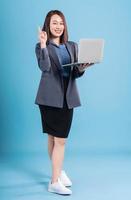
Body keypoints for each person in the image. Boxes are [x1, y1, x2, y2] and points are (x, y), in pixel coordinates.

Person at [35, 10, 93, 195]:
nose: (58, 26)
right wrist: (44, 45)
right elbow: (44, 68)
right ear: (47, 25)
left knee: (55, 138)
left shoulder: (73, 46)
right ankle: (54, 181)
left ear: (64, 25)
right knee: (59, 140)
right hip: (50, 99)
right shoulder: (40, 46)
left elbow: (75, 73)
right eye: (54, 23)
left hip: (67, 98)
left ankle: (58, 171)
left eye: (61, 23)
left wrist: (82, 68)